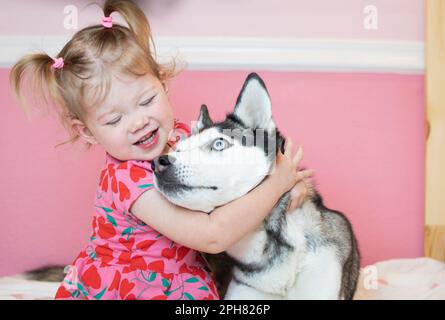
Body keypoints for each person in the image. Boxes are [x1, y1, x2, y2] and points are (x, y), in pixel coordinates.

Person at [9, 0, 313, 300]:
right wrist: (276, 186)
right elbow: (212, 235)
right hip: (128, 287)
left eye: (146, 101)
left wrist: (286, 183)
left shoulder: (185, 137)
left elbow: (236, 177)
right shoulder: (126, 179)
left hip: (182, 279)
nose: (139, 121)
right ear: (87, 131)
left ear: (163, 84)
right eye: (115, 119)